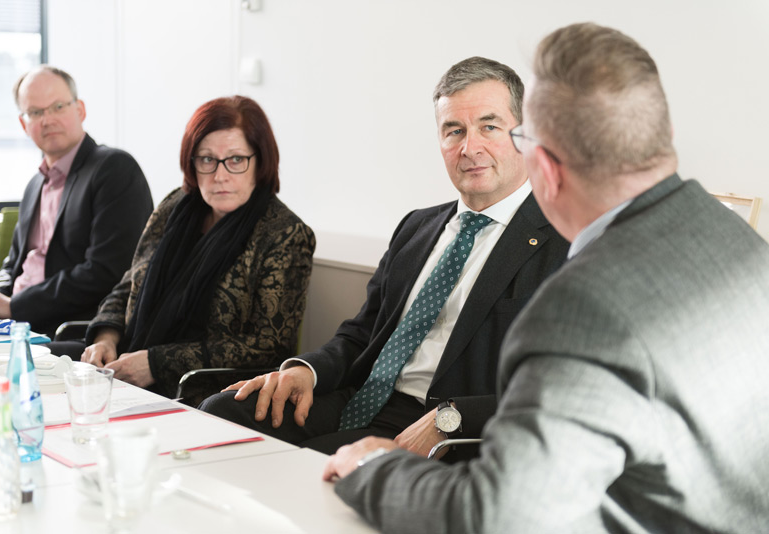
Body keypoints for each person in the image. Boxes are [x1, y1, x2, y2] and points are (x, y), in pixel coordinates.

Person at [323, 22, 769, 534]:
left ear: (547, 171)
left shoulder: (581, 308)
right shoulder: (744, 245)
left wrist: (374, 468)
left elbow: (498, 515)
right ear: (661, 135)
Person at [200, 57, 569, 458]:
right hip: (362, 398)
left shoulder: (561, 241)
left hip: (443, 426)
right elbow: (361, 333)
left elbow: (557, 386)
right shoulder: (418, 227)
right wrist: (305, 372)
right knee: (219, 415)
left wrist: (452, 417)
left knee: (314, 463)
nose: (469, 147)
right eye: (454, 130)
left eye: (489, 127)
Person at [81, 95, 315, 407]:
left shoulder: (285, 234)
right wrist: (105, 336)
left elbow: (270, 346)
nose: (220, 175)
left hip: (205, 388)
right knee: (57, 360)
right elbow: (131, 281)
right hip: (129, 361)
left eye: (235, 160)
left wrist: (157, 362)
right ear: (191, 162)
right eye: (207, 159)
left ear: (260, 162)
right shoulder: (174, 206)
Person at [0, 66, 153, 338]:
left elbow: (107, 272)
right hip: (16, 323)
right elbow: (14, 266)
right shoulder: (35, 184)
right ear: (24, 124)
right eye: (36, 112)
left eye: (57, 106)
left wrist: (15, 307)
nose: (48, 120)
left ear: (80, 110)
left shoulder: (114, 169)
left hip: (68, 328)